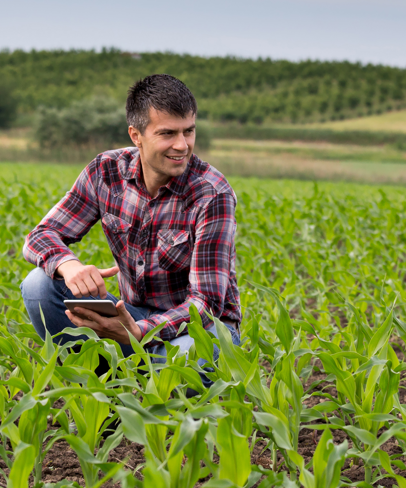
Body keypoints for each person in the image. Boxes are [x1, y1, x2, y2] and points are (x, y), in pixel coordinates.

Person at [20, 74, 241, 369]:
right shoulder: (106, 172)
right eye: (167, 134)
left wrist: (138, 332)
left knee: (189, 357)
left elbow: (206, 304)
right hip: (131, 317)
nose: (182, 145)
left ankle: (160, 395)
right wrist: (69, 266)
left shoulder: (211, 194)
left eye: (188, 131)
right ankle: (102, 396)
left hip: (200, 331)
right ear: (136, 135)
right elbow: (41, 235)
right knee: (38, 285)